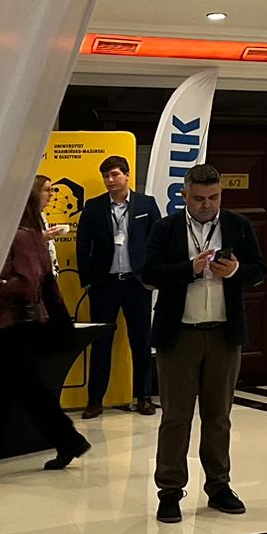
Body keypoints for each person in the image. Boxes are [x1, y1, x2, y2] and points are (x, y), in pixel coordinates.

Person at [0, 176, 90, 486]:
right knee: (28, 390)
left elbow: (25, 284)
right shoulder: (32, 235)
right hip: (24, 325)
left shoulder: (19, 236)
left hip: (19, 326)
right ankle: (68, 441)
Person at [144, 163, 266, 523]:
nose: (206, 205)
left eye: (213, 197)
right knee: (176, 418)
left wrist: (238, 272)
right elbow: (148, 273)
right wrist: (189, 269)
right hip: (179, 335)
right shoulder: (165, 228)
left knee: (218, 417)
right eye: (199, 199)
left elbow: (260, 268)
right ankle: (169, 491)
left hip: (224, 335)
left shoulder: (238, 226)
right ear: (185, 195)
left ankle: (218, 486)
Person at [75, 155, 162, 418]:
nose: (110, 181)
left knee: (141, 342)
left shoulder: (146, 204)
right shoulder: (94, 207)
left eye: (114, 175)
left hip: (137, 284)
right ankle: (95, 400)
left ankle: (144, 397)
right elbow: (83, 245)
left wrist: (152, 277)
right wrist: (88, 281)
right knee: (101, 344)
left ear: (127, 175)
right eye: (106, 176)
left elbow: (157, 240)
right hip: (105, 285)